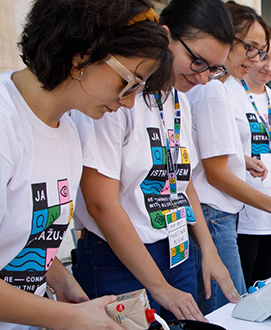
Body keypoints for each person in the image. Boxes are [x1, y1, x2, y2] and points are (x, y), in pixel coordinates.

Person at [0, 0, 173, 329]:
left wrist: (60, 279)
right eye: (129, 82)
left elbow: (18, 238)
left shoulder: (68, 130)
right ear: (82, 55)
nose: (128, 102)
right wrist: (70, 318)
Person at [71, 0, 240, 322]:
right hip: (118, 258)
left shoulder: (179, 100)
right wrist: (158, 286)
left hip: (176, 247)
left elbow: (182, 182)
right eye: (198, 61)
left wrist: (209, 249)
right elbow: (100, 204)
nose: (204, 79)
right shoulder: (114, 97)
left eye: (215, 69)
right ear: (165, 37)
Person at [186, 1, 271, 314]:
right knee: (230, 311)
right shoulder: (213, 90)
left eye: (262, 52)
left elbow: (207, 154)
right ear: (224, 38)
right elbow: (216, 173)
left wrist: (240, 159)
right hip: (214, 214)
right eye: (250, 47)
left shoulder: (214, 88)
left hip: (217, 213)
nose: (256, 59)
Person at [234, 29, 271, 288]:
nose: (269, 67)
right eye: (264, 57)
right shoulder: (229, 93)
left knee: (263, 284)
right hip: (244, 215)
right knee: (240, 288)